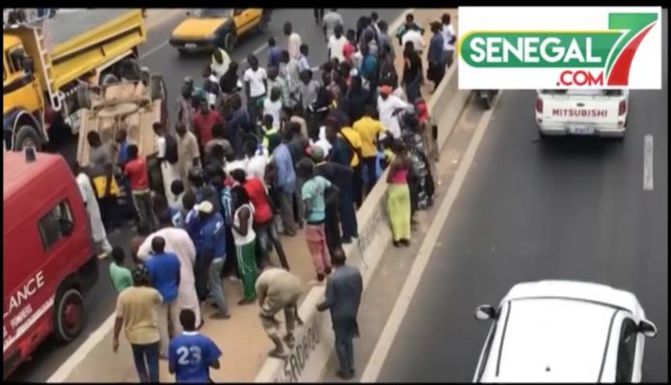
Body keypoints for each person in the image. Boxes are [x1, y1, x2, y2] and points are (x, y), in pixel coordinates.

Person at [137, 211, 202, 331]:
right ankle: (195, 324)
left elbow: (140, 253)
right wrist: (191, 264)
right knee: (190, 301)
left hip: (167, 277)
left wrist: (155, 260)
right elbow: (193, 252)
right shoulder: (182, 233)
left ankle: (172, 337)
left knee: (170, 314)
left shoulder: (154, 237)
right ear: (172, 220)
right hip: (185, 271)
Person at [316, 249, 363, 380]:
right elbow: (360, 289)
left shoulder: (332, 279)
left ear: (333, 262)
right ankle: (351, 365)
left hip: (339, 314)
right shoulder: (355, 271)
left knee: (340, 342)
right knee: (348, 338)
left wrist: (319, 307)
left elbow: (330, 300)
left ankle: (346, 372)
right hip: (352, 310)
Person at [231, 169, 290, 270]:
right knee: (276, 239)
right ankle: (285, 264)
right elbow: (266, 196)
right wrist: (274, 209)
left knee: (263, 245)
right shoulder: (256, 181)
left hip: (258, 218)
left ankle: (269, 268)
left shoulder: (243, 190)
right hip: (268, 212)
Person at [113, 265, 162, 383]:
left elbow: (119, 318)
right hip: (151, 335)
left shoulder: (123, 295)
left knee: (139, 363)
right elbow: (160, 301)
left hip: (134, 336)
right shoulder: (152, 293)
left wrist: (115, 337)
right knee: (153, 364)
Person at [297, 158, 336, 282]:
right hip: (321, 217)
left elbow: (308, 207)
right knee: (323, 244)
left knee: (315, 250)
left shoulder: (306, 188)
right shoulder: (320, 180)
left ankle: (320, 273)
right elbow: (334, 189)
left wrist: (304, 217)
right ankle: (328, 267)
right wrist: (325, 202)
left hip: (312, 221)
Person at [255, 260, 304, 358]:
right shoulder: (281, 271)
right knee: (289, 306)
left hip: (279, 288)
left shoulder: (260, 280)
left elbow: (262, 304)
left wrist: (270, 318)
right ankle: (290, 337)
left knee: (262, 316)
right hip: (297, 286)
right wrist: (296, 315)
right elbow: (293, 303)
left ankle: (280, 349)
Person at [144, 236, 181, 358]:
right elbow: (177, 274)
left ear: (153, 248)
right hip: (173, 292)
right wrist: (176, 286)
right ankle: (180, 346)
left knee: (162, 324)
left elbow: (150, 281)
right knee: (176, 321)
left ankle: (166, 352)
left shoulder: (150, 263)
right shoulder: (173, 257)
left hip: (159, 296)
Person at [311, 146, 353, 254]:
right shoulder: (331, 166)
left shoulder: (314, 172)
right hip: (334, 199)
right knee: (334, 224)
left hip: (323, 201)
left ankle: (331, 252)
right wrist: (340, 186)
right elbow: (349, 170)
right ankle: (338, 248)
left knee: (327, 229)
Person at [195, 201, 231, 319]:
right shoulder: (218, 217)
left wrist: (205, 264)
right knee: (218, 281)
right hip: (222, 254)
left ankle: (223, 312)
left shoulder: (207, 230)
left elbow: (207, 251)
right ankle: (221, 302)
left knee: (215, 285)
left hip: (214, 259)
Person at [325, 121, 360, 241]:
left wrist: (332, 165)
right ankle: (353, 231)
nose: (326, 136)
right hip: (345, 179)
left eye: (327, 133)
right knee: (349, 205)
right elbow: (351, 154)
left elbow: (344, 165)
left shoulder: (338, 147)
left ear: (334, 133)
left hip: (342, 180)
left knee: (344, 207)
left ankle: (347, 235)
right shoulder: (340, 143)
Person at [72, 161, 114, 257]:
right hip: (94, 206)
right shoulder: (83, 176)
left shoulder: (79, 182)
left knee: (97, 233)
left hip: (89, 211)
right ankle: (104, 251)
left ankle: (108, 251)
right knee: (98, 231)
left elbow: (84, 200)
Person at [168, 309, 222, 383]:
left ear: (181, 323)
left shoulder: (174, 343)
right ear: (195, 320)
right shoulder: (205, 341)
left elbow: (171, 370)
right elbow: (216, 365)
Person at [230, 185, 258, 305]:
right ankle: (256, 288)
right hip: (251, 238)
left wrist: (232, 223)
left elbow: (243, 231)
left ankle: (250, 295)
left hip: (243, 243)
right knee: (251, 265)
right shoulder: (248, 205)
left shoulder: (242, 212)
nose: (232, 200)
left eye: (234, 197)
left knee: (245, 269)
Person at [353, 105, 388, 194]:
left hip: (360, 153)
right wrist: (380, 143)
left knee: (361, 172)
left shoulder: (356, 124)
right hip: (372, 152)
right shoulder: (376, 123)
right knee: (372, 172)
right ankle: (371, 190)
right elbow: (389, 133)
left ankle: (362, 190)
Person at [268, 134, 298, 236]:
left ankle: (291, 230)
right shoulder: (283, 148)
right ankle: (290, 226)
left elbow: (281, 171)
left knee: (286, 208)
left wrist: (278, 184)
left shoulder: (278, 156)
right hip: (291, 179)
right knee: (289, 205)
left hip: (285, 183)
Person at [124, 144, 156, 231]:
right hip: (146, 188)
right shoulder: (143, 161)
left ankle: (145, 229)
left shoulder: (129, 166)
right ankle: (155, 226)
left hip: (136, 191)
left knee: (141, 212)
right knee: (150, 209)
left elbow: (126, 176)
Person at [387, 141, 412, 247]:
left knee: (395, 213)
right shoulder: (408, 160)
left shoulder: (395, 163)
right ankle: (406, 237)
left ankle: (397, 238)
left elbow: (389, 179)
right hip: (405, 187)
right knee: (405, 212)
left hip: (395, 188)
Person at [154, 123, 181, 206]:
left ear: (156, 130)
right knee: (176, 181)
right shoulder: (170, 136)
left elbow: (161, 156)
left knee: (168, 186)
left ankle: (172, 204)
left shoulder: (160, 141)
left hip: (166, 165)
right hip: (175, 164)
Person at [244, 55, 268, 124]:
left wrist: (266, 92)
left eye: (255, 64)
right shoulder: (247, 73)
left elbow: (265, 82)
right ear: (250, 65)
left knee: (264, 113)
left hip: (262, 94)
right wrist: (248, 99)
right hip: (253, 96)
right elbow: (247, 87)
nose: (254, 66)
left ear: (257, 63)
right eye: (253, 65)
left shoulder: (262, 71)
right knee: (253, 115)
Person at [176, 122, 201, 188]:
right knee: (185, 187)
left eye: (180, 131)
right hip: (182, 165)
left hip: (190, 166)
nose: (179, 133)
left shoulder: (191, 138)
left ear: (184, 129)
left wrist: (193, 171)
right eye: (178, 132)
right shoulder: (178, 137)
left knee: (193, 187)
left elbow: (196, 155)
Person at [427, 21, 446, 91]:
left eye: (432, 27)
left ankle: (437, 88)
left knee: (437, 76)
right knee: (433, 76)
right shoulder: (435, 36)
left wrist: (435, 61)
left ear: (435, 28)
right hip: (433, 60)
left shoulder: (438, 38)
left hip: (436, 61)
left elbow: (439, 51)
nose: (431, 28)